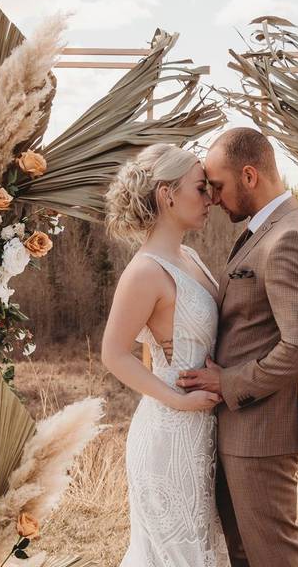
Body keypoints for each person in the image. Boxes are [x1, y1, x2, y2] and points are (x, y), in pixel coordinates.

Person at [178, 127, 298, 567]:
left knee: (273, 557)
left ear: (249, 176)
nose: (214, 198)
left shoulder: (289, 239)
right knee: (244, 555)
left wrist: (228, 381)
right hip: (244, 428)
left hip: (262, 431)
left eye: (219, 186)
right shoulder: (265, 231)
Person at [101, 143, 229, 567]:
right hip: (168, 435)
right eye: (200, 188)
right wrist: (179, 400)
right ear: (167, 194)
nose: (210, 198)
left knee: (202, 549)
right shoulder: (144, 271)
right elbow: (114, 354)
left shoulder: (188, 257)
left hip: (202, 431)